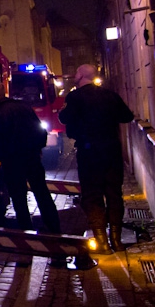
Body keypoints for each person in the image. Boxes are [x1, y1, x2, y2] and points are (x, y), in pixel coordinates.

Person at [58, 64, 134, 253]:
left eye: (76, 72)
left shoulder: (75, 97)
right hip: (111, 150)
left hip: (89, 151)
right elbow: (127, 116)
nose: (74, 75)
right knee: (114, 194)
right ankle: (116, 240)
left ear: (82, 75)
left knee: (92, 195)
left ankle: (102, 242)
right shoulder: (110, 95)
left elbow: (64, 118)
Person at [0, 82, 62, 234]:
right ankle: (53, 225)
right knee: (42, 192)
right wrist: (38, 148)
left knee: (18, 197)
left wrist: (0, 157)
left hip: (11, 161)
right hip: (31, 157)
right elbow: (40, 130)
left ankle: (26, 229)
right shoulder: (24, 107)